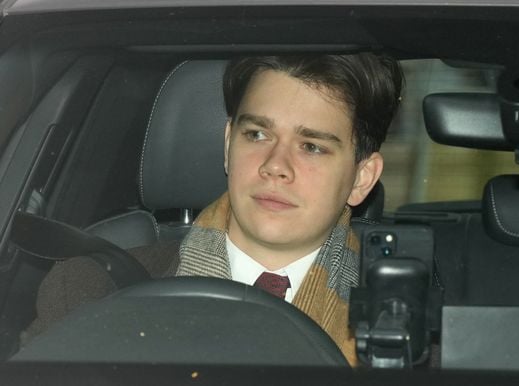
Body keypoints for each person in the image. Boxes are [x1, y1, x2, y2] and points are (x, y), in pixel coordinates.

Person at [24, 53, 403, 365]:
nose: (275, 165)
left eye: (312, 146)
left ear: (361, 178)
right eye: (257, 134)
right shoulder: (89, 292)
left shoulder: (408, 331)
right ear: (227, 145)